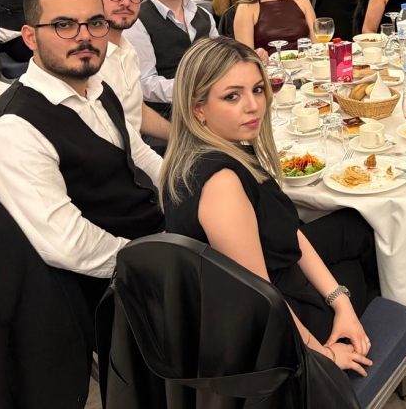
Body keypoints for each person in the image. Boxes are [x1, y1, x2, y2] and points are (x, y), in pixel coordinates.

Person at [161, 36, 378, 374]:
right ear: (197, 109)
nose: (254, 106)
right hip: (263, 332)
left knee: (356, 227)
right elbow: (258, 295)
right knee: (365, 270)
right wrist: (322, 355)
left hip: (264, 283)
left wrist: (340, 300)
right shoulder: (221, 183)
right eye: (232, 96)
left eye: (258, 90)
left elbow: (287, 230)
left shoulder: (220, 148)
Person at [0, 0, 164, 297]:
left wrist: (191, 198)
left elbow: (138, 153)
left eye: (95, 23)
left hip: (150, 236)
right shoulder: (11, 129)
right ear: (30, 37)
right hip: (105, 290)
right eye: (64, 25)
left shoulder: (97, 89)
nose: (84, 37)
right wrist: (163, 262)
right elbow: (69, 245)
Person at [123, 0, 218, 119]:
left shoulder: (203, 14)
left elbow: (218, 60)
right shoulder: (137, 21)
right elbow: (145, 83)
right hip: (167, 113)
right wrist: (194, 91)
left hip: (211, 104)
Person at [85, 0, 172, 142]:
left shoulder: (127, 49)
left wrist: (181, 138)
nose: (126, 2)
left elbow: (136, 111)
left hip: (137, 149)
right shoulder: (85, 61)